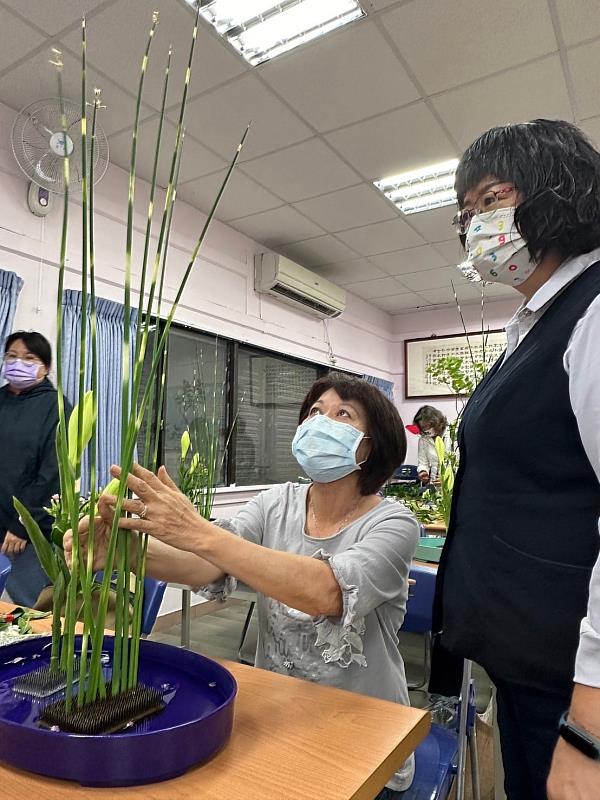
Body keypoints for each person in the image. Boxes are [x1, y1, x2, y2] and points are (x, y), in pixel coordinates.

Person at [67, 374, 420, 796]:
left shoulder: (394, 523)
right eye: (313, 412)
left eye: (342, 413)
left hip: (366, 721)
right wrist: (126, 555)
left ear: (373, 443)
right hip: (280, 707)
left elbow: (327, 592)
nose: (320, 422)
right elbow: (208, 565)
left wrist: (198, 530)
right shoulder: (276, 502)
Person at [430, 120, 600, 800]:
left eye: (490, 199)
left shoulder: (592, 313)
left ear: (558, 192)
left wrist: (588, 725)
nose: (475, 224)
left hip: (572, 680)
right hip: (530, 665)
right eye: (466, 213)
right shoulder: (529, 327)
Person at [0, 331, 64, 607]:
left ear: (45, 367)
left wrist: (23, 525)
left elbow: (53, 475)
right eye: (11, 356)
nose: (18, 363)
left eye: (29, 358)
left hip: (25, 533)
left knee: (30, 609)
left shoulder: (57, 408)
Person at [406, 405, 448, 484]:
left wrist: (447, 478)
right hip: (434, 482)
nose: (425, 430)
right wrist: (423, 472)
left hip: (453, 483)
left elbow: (458, 463)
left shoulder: (451, 435)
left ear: (437, 422)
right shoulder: (423, 439)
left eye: (427, 426)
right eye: (422, 427)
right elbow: (423, 462)